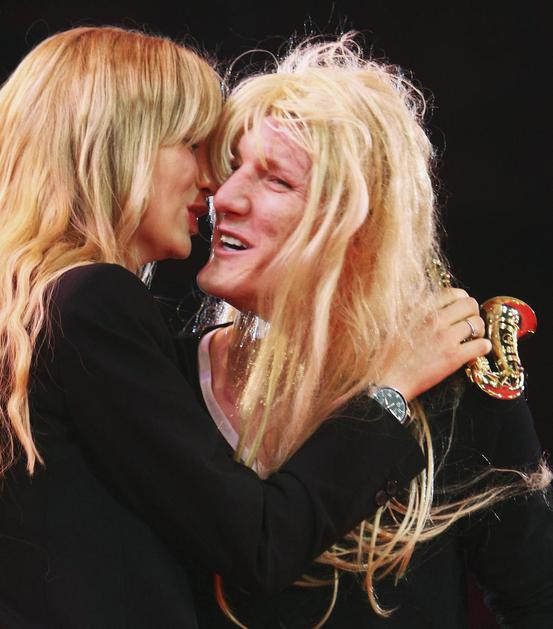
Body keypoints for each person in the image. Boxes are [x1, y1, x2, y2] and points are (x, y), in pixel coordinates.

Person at [0, 26, 490, 628]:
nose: (215, 188)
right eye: (192, 146)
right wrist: (389, 390)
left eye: (275, 178)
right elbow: (258, 542)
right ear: (115, 148)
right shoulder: (92, 302)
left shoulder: (31, 307)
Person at [185, 35, 553, 627]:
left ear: (358, 228)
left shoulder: (457, 388)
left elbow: (536, 602)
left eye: (276, 180)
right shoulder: (164, 376)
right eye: (231, 169)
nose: (223, 199)